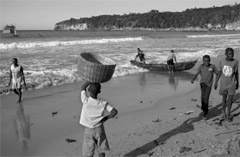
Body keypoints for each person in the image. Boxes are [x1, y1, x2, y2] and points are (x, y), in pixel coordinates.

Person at [80, 81, 118, 157]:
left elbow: (82, 87)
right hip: (99, 129)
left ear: (88, 90)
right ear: (99, 91)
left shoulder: (85, 101)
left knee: (88, 151)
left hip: (88, 130)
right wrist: (105, 118)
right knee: (101, 149)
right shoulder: (103, 103)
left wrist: (90, 79)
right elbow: (114, 112)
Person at [214, 48, 239, 122]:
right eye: (229, 54)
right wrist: (216, 82)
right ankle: (223, 112)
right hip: (223, 84)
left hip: (232, 83)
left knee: (230, 99)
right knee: (224, 99)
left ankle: (228, 115)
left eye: (232, 54)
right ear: (226, 54)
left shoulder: (235, 62)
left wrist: (238, 82)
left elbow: (236, 73)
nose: (231, 55)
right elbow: (219, 72)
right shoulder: (222, 61)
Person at [191, 55, 218, 119]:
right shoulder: (201, 66)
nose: (207, 62)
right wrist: (193, 79)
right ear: (203, 61)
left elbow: (218, 73)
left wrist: (216, 82)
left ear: (210, 60)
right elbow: (196, 74)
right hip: (202, 84)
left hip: (209, 84)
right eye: (205, 61)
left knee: (206, 97)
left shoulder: (212, 66)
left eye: (208, 60)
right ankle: (204, 108)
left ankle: (205, 111)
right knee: (202, 97)